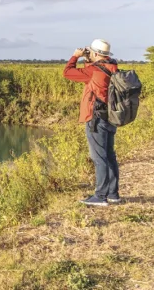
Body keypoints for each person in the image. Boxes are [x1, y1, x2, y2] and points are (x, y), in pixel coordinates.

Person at [63, 38, 120, 207]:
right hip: (110, 116)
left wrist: (75, 56)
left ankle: (100, 196)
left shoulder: (93, 71)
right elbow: (96, 73)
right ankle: (113, 194)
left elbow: (68, 72)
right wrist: (89, 60)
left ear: (95, 53)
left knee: (99, 157)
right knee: (110, 156)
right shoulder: (113, 67)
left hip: (96, 118)